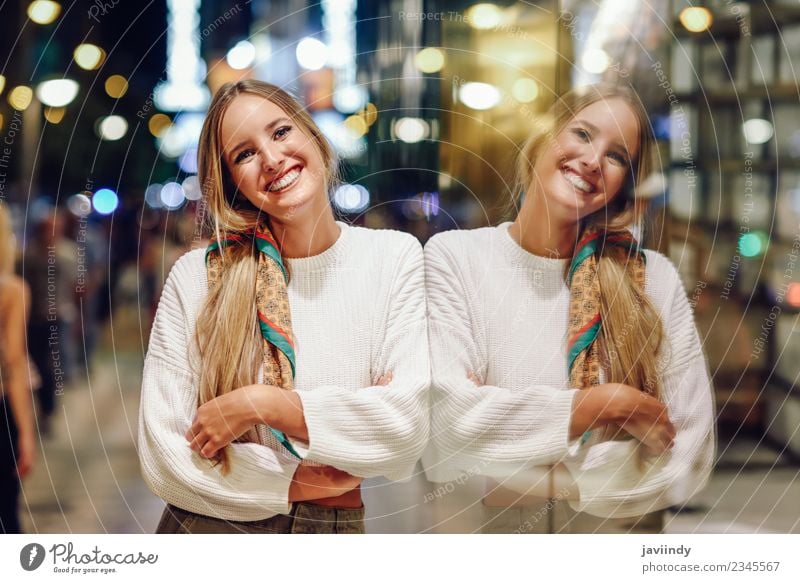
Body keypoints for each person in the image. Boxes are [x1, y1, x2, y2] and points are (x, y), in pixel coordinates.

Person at [138, 80, 429, 534]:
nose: (272, 159)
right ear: (232, 183)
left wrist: (262, 404)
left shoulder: (393, 258)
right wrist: (293, 481)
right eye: (244, 154)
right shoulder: (199, 277)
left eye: (280, 132)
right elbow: (164, 453)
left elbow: (405, 428)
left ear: (313, 135)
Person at [423, 84, 715, 533]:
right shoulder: (456, 259)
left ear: (623, 186)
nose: (594, 160)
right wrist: (604, 405)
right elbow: (447, 438)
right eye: (582, 134)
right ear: (542, 138)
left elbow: (688, 461)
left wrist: (521, 475)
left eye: (617, 156)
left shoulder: (651, 277)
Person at [0, 204, 36, 533]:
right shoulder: (10, 290)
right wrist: (26, 432)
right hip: (1, 417)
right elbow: (14, 363)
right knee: (6, 513)